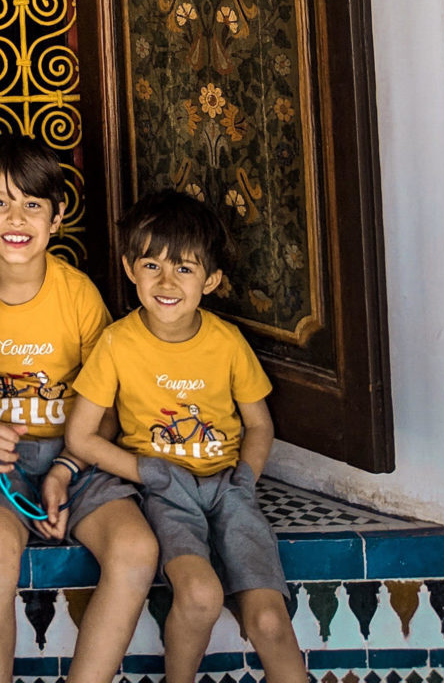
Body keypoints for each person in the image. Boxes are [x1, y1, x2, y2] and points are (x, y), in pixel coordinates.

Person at [67, 189, 305, 683]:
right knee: (199, 595)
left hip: (229, 487)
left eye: (185, 269)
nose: (166, 281)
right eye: (151, 265)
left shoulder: (226, 341)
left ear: (211, 280)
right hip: (166, 491)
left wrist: (245, 479)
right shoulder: (117, 342)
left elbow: (260, 424)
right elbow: (82, 436)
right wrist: (147, 471)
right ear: (131, 268)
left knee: (268, 619)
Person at [0, 135, 157, 683]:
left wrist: (69, 468)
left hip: (80, 458)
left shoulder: (78, 295)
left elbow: (107, 409)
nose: (15, 217)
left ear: (57, 215)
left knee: (137, 548)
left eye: (32, 204)